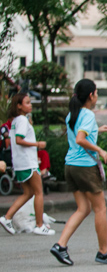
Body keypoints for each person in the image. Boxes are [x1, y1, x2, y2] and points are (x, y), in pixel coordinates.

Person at [50, 79, 107, 266]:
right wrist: (100, 150)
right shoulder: (88, 114)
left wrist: (97, 130)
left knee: (83, 209)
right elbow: (81, 139)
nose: (97, 95)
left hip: (71, 166)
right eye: (96, 92)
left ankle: (60, 245)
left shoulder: (72, 114)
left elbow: (76, 136)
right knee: (100, 208)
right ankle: (104, 253)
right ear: (91, 95)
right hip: (85, 167)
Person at [1, 93, 54, 236]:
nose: (30, 105)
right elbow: (19, 140)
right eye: (27, 102)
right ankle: (39, 225)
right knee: (38, 192)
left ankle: (7, 218)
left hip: (20, 163)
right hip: (28, 162)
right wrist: (38, 144)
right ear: (19, 106)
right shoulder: (22, 121)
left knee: (29, 193)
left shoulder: (16, 121)